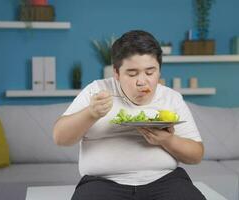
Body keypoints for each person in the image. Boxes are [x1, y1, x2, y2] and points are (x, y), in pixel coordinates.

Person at [53, 30, 206, 200]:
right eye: (132, 74)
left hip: (165, 180)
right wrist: (90, 113)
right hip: (101, 183)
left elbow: (196, 155)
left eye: (150, 72)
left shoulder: (171, 98)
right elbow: (60, 138)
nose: (142, 81)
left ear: (159, 71)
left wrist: (167, 140)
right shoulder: (97, 91)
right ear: (116, 73)